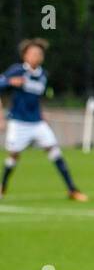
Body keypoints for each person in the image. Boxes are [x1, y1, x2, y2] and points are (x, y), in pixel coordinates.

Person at [1, 38, 87, 201]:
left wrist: (42, 114)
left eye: (39, 53)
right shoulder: (16, 70)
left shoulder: (43, 75)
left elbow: (37, 98)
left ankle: (72, 190)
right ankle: (3, 187)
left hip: (37, 122)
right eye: (33, 53)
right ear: (25, 55)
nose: (37, 56)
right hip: (18, 121)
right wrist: (10, 82)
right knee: (14, 155)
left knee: (54, 150)